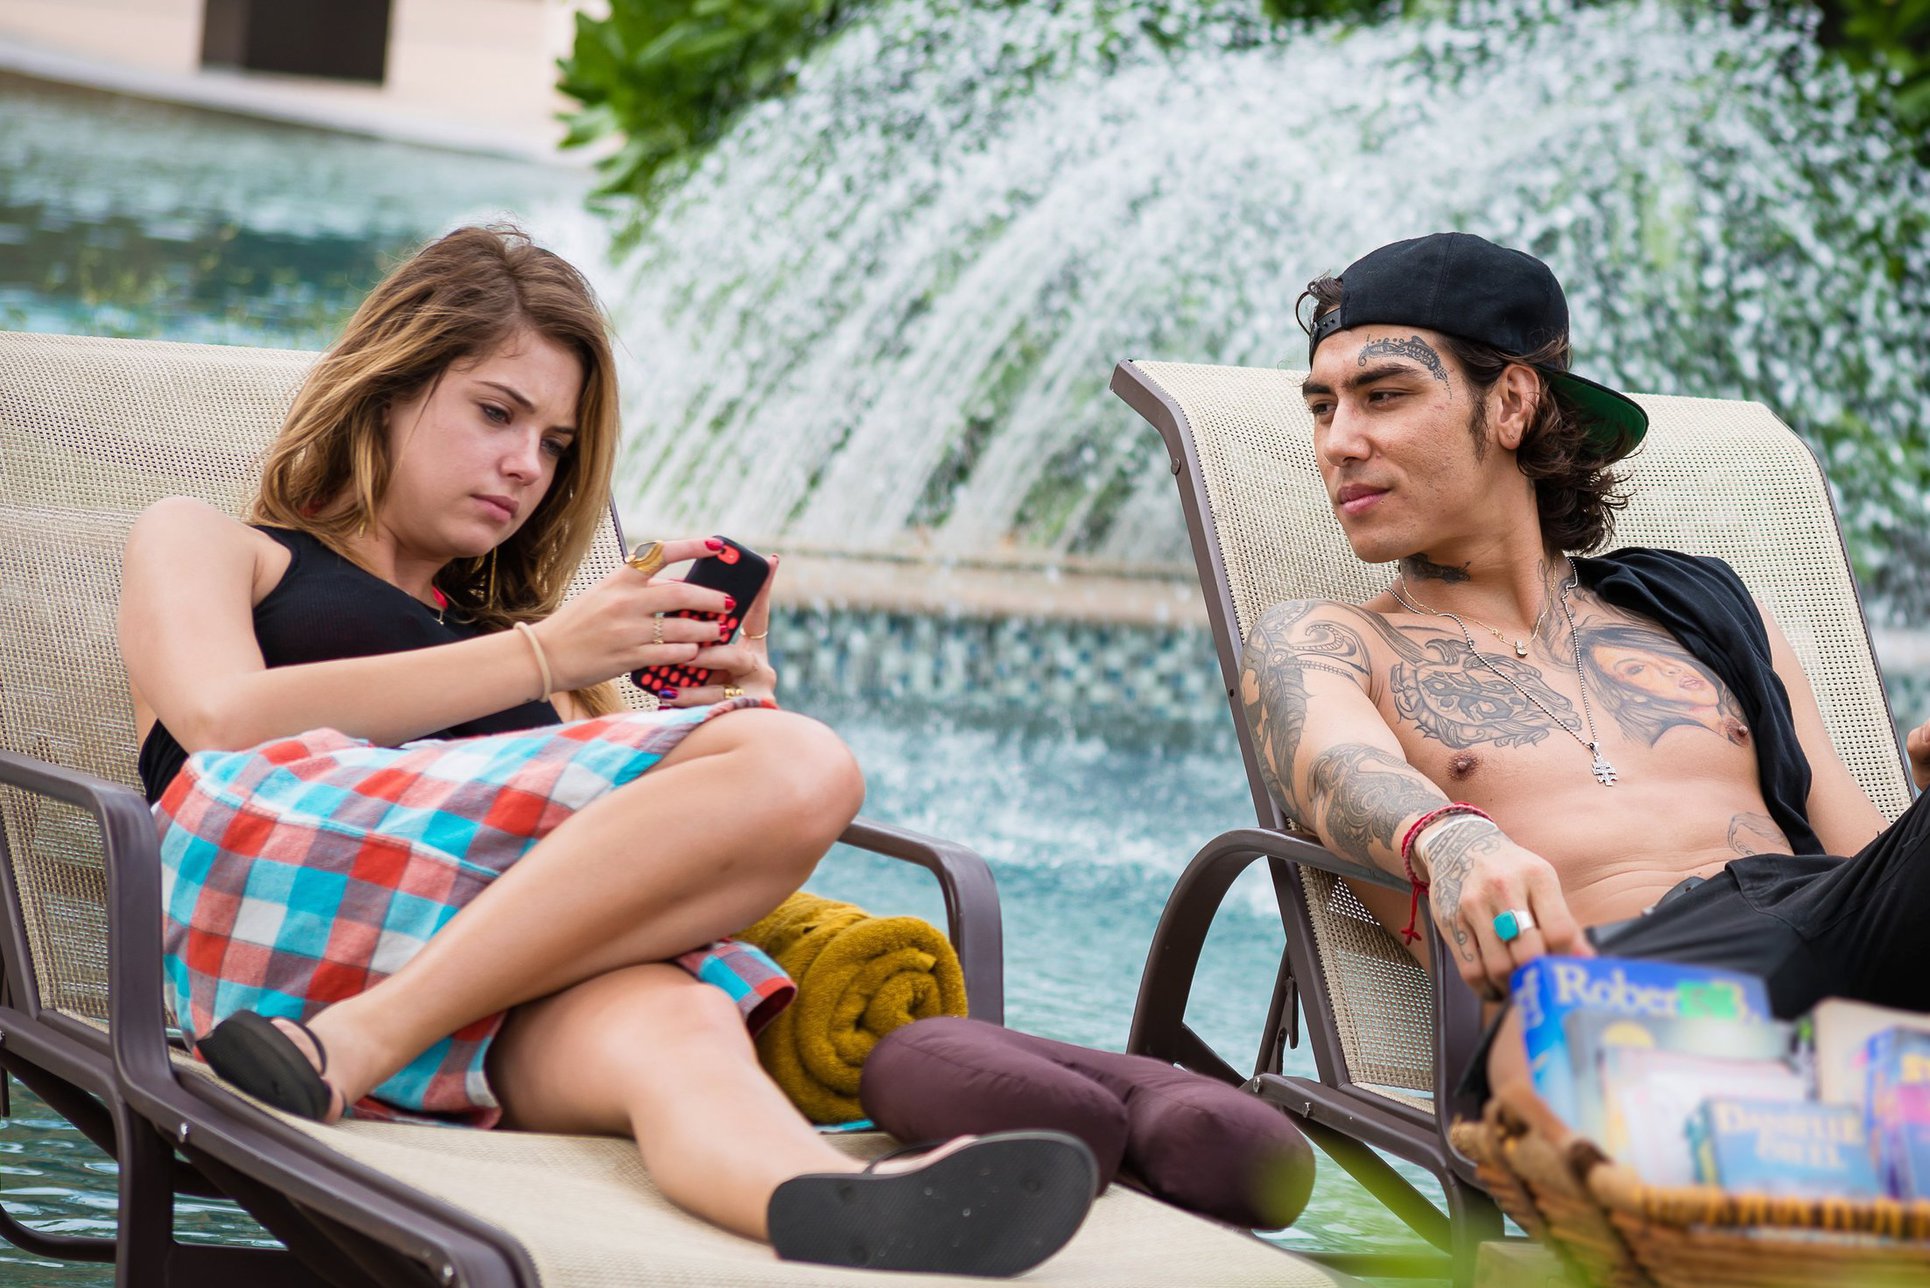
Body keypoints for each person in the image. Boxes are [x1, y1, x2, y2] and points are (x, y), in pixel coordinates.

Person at [118, 224, 1095, 1277]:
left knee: (680, 1022)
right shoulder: (216, 542)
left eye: (555, 444)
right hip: (265, 909)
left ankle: (843, 1207)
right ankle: (359, 1040)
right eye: (497, 413)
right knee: (803, 768)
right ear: (389, 387)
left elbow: (634, 854)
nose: (523, 465)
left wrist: (731, 707)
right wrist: (545, 656)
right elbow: (218, 718)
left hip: (438, 973)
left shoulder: (528, 650)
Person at [1236, 231, 1930, 1112]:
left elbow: (1864, 873)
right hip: (1611, 1008)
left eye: (1383, 395)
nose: (1339, 441)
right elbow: (1337, 767)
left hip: (1828, 958)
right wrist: (1452, 839)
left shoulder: (1700, 609)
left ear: (1512, 404)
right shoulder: (1326, 642)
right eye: (1322, 407)